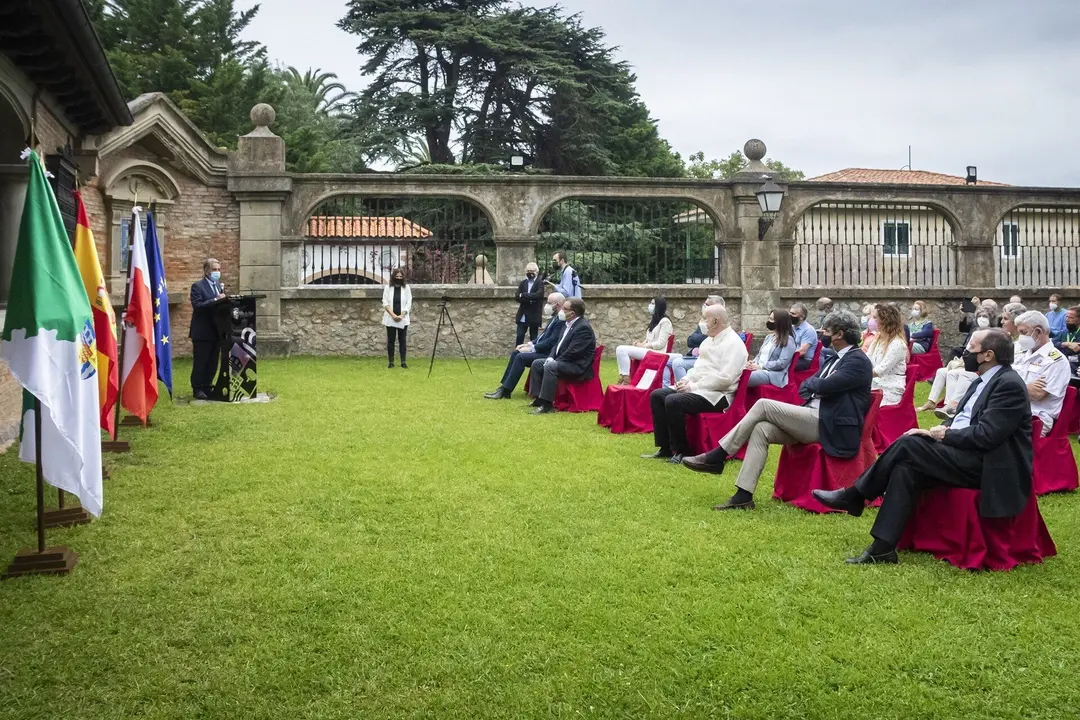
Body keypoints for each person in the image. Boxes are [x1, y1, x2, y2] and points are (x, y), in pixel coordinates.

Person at [813, 328, 1033, 565]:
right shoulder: (983, 380)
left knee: (908, 444)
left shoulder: (1008, 385)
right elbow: (962, 421)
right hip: (966, 454)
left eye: (971, 349)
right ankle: (883, 548)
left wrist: (944, 435)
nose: (964, 354)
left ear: (988, 355)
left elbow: (987, 435)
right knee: (906, 468)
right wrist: (932, 432)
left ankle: (855, 495)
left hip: (989, 465)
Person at [682, 311, 873, 511]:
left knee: (764, 404)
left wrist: (819, 385)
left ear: (839, 334)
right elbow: (806, 385)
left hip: (830, 425)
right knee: (761, 429)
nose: (821, 334)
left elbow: (822, 386)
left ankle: (718, 455)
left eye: (826, 330)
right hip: (813, 417)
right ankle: (743, 495)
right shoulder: (835, 359)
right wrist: (818, 385)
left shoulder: (857, 361)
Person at [640, 303, 746, 464]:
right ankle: (665, 447)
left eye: (706, 319)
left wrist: (693, 387)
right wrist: (685, 380)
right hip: (699, 388)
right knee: (658, 395)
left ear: (716, 321)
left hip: (717, 395)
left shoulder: (734, 344)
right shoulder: (709, 341)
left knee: (673, 400)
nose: (702, 323)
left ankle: (682, 450)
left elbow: (726, 379)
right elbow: (697, 368)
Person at [485, 292, 565, 400]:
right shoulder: (554, 317)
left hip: (548, 354)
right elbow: (543, 337)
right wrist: (528, 344)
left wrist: (532, 348)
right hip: (543, 350)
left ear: (558, 305)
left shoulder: (561, 320)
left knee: (521, 357)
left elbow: (551, 342)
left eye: (549, 303)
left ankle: (506, 390)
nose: (546, 305)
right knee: (516, 353)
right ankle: (504, 388)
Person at [918, 307, 992, 414]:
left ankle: (949, 406)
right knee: (941, 371)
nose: (982, 319)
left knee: (953, 373)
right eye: (979, 316)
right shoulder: (975, 330)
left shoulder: (992, 335)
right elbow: (967, 347)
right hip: (967, 363)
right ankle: (931, 401)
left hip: (977, 369)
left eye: (985, 316)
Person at [528, 298, 595, 414]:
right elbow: (557, 345)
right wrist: (550, 357)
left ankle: (547, 406)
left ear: (572, 313)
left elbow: (573, 352)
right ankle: (539, 398)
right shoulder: (567, 324)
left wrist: (554, 361)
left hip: (577, 366)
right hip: (564, 361)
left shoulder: (583, 328)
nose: (561, 311)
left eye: (564, 309)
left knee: (550, 367)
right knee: (537, 363)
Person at [1013, 311, 1070, 436]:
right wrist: (1026, 386)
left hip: (1037, 417)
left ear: (1038, 331)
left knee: (993, 432)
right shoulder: (1022, 355)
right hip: (1015, 408)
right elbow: (1001, 379)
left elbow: (1037, 394)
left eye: (1023, 333)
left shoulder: (1056, 361)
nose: (1020, 337)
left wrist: (1011, 385)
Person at [189, 258, 226, 399]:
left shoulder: (218, 286)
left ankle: (208, 386)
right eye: (214, 269)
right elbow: (198, 306)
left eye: (218, 269)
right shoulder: (197, 286)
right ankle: (197, 388)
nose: (217, 272)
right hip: (202, 332)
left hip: (216, 331)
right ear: (206, 271)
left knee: (213, 362)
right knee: (201, 361)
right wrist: (216, 300)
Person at [615, 297, 673, 384]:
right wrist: (640, 343)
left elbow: (661, 343)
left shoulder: (665, 322)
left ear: (659, 306)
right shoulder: (655, 320)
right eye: (651, 303)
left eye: (653, 304)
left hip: (657, 352)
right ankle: (624, 376)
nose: (650, 306)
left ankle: (626, 379)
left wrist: (643, 346)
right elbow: (649, 339)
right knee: (621, 349)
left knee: (621, 349)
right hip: (648, 350)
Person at [668, 295, 725, 383]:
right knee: (666, 360)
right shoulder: (703, 321)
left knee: (678, 363)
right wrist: (701, 337)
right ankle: (668, 385)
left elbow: (709, 339)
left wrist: (701, 337)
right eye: (704, 304)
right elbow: (690, 341)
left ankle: (684, 391)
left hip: (707, 360)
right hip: (694, 356)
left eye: (707, 305)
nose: (704, 307)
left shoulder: (720, 324)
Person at [865, 304, 909, 406]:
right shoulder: (878, 338)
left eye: (876, 318)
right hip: (875, 384)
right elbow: (867, 358)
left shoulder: (898, 344)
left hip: (889, 389)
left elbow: (881, 370)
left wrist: (859, 375)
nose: (873, 320)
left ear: (885, 320)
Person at [745, 310, 797, 389]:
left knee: (744, 378)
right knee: (735, 372)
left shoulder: (789, 340)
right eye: (769, 318)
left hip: (772, 374)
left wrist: (761, 366)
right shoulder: (768, 337)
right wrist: (752, 363)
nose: (769, 321)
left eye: (772, 319)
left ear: (780, 322)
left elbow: (781, 363)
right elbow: (759, 355)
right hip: (759, 369)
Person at [382, 268, 411, 368]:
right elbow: (385, 302)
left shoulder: (406, 288)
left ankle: (403, 361)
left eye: (400, 276)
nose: (399, 278)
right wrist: (393, 315)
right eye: (397, 276)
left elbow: (409, 303)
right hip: (390, 318)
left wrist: (402, 315)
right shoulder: (387, 288)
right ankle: (391, 362)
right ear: (393, 277)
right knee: (391, 340)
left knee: (402, 340)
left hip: (403, 318)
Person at [514, 262, 545, 345]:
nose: (529, 273)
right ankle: (517, 355)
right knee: (519, 336)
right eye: (528, 271)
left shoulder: (539, 283)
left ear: (536, 272)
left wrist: (524, 295)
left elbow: (538, 295)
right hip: (523, 315)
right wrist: (530, 299)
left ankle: (532, 356)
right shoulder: (523, 283)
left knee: (533, 338)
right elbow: (517, 296)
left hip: (534, 315)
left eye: (531, 271)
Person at [789, 303, 819, 371]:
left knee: (782, 365)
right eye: (790, 313)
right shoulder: (792, 328)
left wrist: (785, 356)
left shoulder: (808, 330)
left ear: (802, 317)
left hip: (804, 361)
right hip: (793, 358)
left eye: (793, 314)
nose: (790, 316)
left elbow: (802, 352)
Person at [1053, 305, 1080, 377]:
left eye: (1071, 317)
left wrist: (1061, 348)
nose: (1067, 319)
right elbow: (1052, 343)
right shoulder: (1064, 332)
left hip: (1075, 369)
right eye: (1067, 317)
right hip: (1060, 367)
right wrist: (1066, 344)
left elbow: (1076, 350)